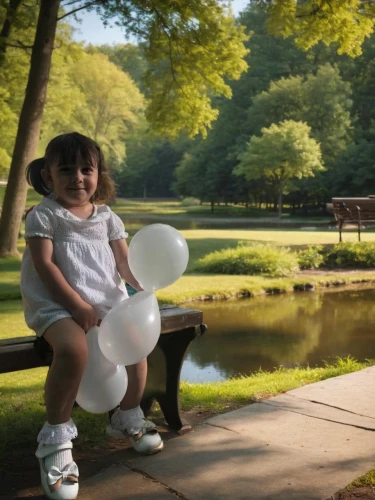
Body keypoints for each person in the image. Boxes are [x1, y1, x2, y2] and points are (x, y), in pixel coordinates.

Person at [21, 132, 163, 500]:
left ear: (99, 174)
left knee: (137, 346)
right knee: (74, 350)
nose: (78, 178)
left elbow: (123, 263)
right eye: (66, 169)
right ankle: (55, 442)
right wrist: (77, 306)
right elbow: (46, 266)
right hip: (56, 303)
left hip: (105, 302)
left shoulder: (107, 218)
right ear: (49, 176)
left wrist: (142, 285)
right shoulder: (45, 215)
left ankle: (127, 415)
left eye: (87, 169)